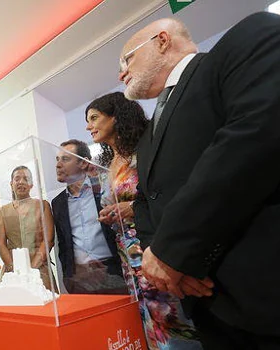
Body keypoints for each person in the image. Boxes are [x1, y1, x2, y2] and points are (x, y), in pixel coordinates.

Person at [119, 13, 280, 349]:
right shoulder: (149, 135)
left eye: (127, 58)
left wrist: (172, 252)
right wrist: (162, 260)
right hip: (205, 304)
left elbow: (252, 140)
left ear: (163, 41)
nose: (121, 72)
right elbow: (144, 199)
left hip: (269, 288)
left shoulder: (246, 42)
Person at [86, 92, 201, 349]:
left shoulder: (145, 151)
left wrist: (132, 207)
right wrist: (110, 213)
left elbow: (167, 193)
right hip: (127, 252)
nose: (88, 125)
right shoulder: (108, 163)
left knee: (171, 313)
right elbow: (114, 203)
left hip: (154, 243)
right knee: (148, 315)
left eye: (94, 118)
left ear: (115, 118)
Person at [51, 139, 127, 295]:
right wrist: (67, 275)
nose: (58, 165)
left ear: (84, 163)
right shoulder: (57, 203)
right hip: (79, 279)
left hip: (113, 273)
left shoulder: (103, 190)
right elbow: (63, 243)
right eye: (57, 159)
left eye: (65, 159)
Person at [0, 166, 56, 291]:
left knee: (45, 305)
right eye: (17, 179)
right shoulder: (3, 211)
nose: (21, 182)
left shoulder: (42, 205)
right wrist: (14, 269)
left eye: (26, 179)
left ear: (31, 184)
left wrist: (32, 270)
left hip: (40, 270)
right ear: (11, 184)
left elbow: (48, 240)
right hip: (12, 273)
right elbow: (1, 244)